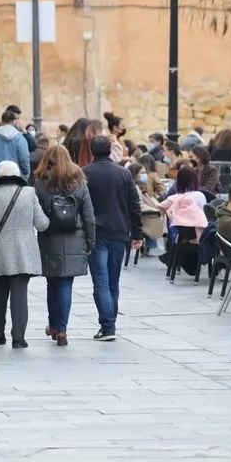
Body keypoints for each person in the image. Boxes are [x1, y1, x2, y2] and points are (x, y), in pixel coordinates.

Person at [0, 161, 49, 349]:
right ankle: (19, 337)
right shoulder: (29, 193)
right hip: (25, 252)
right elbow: (42, 223)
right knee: (20, 293)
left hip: (0, 251)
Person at [33, 145, 96, 347]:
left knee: (52, 282)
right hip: (74, 237)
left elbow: (37, 212)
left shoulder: (41, 182)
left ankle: (53, 325)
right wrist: (90, 241)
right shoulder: (79, 181)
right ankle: (62, 329)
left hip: (49, 236)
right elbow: (88, 215)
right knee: (65, 284)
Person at [82, 135, 143, 341]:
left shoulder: (85, 174)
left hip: (95, 234)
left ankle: (107, 326)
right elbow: (134, 205)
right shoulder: (123, 174)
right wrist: (137, 233)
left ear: (92, 151)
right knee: (113, 282)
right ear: (110, 150)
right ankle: (110, 323)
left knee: (100, 281)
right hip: (119, 232)